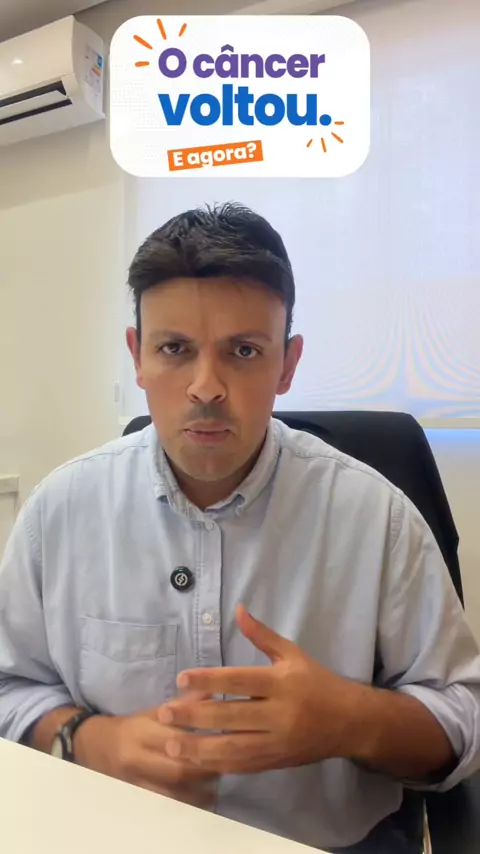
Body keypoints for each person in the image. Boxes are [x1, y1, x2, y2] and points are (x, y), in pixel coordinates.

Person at [0, 202, 479, 854]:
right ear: (137, 356)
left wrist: (350, 720)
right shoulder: (59, 512)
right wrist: (86, 739)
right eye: (175, 349)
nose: (206, 387)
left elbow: (464, 716)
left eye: (244, 350)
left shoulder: (378, 518)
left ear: (287, 364)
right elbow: (11, 684)